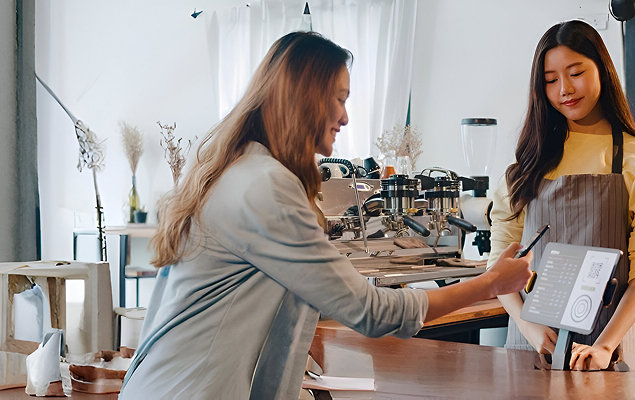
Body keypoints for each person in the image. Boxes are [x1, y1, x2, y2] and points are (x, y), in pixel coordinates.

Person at [119, 32, 533, 399]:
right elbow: (370, 311)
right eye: (340, 98)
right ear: (305, 96)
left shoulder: (232, 168)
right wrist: (489, 284)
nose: (345, 117)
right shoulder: (266, 185)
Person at [487, 20, 635, 371]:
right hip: (529, 347)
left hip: (608, 346)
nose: (564, 89)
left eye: (576, 73)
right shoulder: (529, 162)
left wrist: (605, 346)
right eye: (551, 80)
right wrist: (530, 328)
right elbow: (499, 265)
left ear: (602, 70)